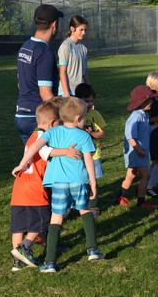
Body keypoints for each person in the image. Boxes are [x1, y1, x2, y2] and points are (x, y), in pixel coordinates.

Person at [12, 97, 102, 273]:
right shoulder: (84, 136)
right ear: (78, 119)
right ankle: (92, 250)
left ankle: (50, 262)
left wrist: (22, 164)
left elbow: (33, 148)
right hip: (79, 180)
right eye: (84, 117)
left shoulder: (51, 133)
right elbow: (88, 161)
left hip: (58, 183)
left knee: (56, 219)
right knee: (84, 211)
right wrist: (93, 182)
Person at [15, 4, 63, 144]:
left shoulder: (25, 47)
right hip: (37, 120)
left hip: (21, 116)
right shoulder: (44, 52)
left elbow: (20, 83)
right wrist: (63, 117)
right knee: (50, 164)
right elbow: (45, 94)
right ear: (54, 24)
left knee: (32, 165)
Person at [118, 85, 158, 211]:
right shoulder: (136, 116)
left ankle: (120, 196)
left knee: (131, 175)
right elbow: (130, 136)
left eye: (151, 100)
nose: (151, 102)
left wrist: (157, 124)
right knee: (145, 175)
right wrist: (138, 150)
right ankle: (141, 201)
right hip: (136, 151)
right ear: (140, 102)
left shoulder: (144, 114)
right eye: (148, 101)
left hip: (140, 151)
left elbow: (145, 131)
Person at [75, 83, 106, 217]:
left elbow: (102, 133)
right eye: (85, 101)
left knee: (93, 181)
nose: (89, 104)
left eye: (91, 101)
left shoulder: (95, 114)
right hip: (78, 156)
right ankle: (79, 205)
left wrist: (91, 134)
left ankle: (93, 206)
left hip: (93, 155)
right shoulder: (74, 115)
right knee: (80, 182)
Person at [58, 15, 90, 97]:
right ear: (72, 29)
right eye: (81, 30)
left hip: (80, 93)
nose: (84, 33)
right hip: (67, 93)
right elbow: (62, 72)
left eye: (85, 30)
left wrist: (90, 92)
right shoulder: (65, 46)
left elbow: (85, 73)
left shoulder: (84, 48)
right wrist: (67, 94)